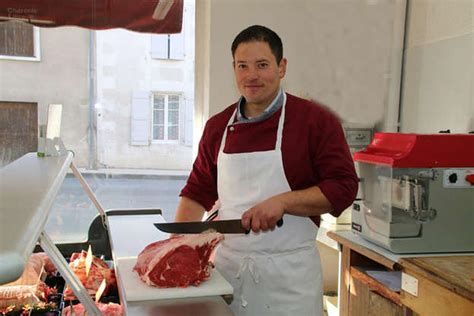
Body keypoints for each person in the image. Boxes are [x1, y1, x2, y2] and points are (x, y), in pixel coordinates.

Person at [175, 25, 358, 316]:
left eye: (262, 65)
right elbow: (197, 193)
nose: (251, 76)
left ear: (281, 66)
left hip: (290, 281)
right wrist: (176, 251)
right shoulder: (217, 126)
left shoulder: (315, 121)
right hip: (228, 276)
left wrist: (284, 202)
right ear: (233, 68)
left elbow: (344, 188)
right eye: (242, 66)